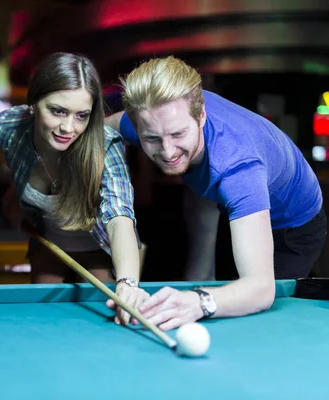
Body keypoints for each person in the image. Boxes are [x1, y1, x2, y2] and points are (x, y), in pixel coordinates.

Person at [105, 56, 327, 330]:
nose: (167, 151)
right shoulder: (155, 117)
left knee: (255, 323)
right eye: (151, 139)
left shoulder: (238, 168)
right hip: (232, 205)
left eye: (178, 134)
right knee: (224, 290)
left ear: (202, 115)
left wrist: (197, 302)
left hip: (293, 225)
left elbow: (260, 290)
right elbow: (103, 128)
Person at [0, 52, 148, 326]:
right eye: (58, 111)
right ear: (33, 103)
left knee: (107, 316)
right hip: (48, 244)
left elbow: (119, 217)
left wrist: (128, 283)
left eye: (81, 115)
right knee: (41, 319)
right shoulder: (8, 129)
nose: (68, 127)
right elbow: (18, 174)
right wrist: (14, 201)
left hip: (98, 248)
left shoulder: (106, 147)